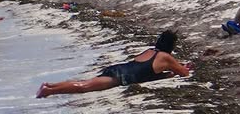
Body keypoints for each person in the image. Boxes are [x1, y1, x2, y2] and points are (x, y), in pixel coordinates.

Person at [37, 30, 192, 98]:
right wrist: (183, 68)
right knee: (84, 87)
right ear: (171, 46)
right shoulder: (165, 57)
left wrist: (171, 73)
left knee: (84, 83)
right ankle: (49, 91)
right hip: (119, 77)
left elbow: (150, 73)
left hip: (118, 69)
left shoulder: (150, 51)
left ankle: (51, 86)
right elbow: (184, 73)